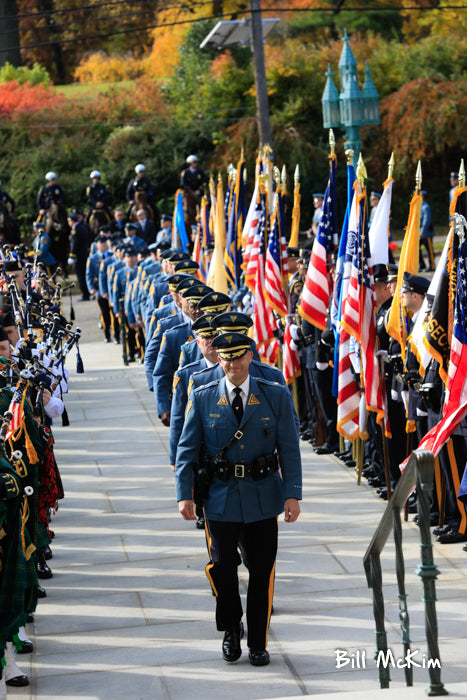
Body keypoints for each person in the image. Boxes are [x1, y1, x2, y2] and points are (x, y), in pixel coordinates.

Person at [175, 332, 302, 667]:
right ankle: (232, 629)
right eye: (226, 357)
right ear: (218, 359)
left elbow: (289, 448)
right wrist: (183, 495)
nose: (232, 364)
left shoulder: (274, 394)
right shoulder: (202, 396)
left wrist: (292, 494)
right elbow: (187, 449)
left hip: (263, 497)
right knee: (224, 569)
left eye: (238, 357)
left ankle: (258, 643)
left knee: (261, 571)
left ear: (250, 357)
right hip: (220, 497)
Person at [67, 212, 91, 301]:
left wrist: (72, 256)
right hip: (84, 255)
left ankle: (85, 294)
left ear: (72, 221)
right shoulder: (82, 227)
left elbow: (74, 244)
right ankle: (87, 293)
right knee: (84, 275)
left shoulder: (75, 229)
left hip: (79, 257)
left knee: (81, 276)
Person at [419, 190, 435, 272]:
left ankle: (432, 266)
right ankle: (421, 265)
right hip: (419, 232)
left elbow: (426, 220)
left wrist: (422, 230)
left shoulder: (425, 207)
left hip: (426, 232)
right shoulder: (417, 206)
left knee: (429, 250)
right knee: (417, 249)